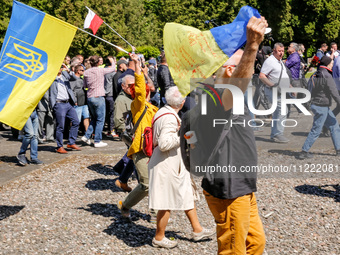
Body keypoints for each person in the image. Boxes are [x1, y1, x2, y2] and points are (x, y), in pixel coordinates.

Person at [201, 16, 267, 255]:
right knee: (233, 250)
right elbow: (239, 84)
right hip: (229, 187)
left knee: (255, 243)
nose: (250, 69)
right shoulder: (219, 96)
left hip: (242, 185)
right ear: (230, 70)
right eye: (242, 64)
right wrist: (251, 46)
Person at [149, 86, 215, 248]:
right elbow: (164, 143)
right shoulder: (170, 118)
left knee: (187, 193)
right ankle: (159, 237)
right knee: (166, 202)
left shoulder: (164, 112)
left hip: (173, 163)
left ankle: (197, 229)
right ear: (183, 102)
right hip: (167, 164)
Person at [117, 54, 158, 218]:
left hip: (154, 148)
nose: (147, 92)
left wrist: (142, 68)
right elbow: (141, 89)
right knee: (146, 184)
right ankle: (125, 205)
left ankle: (155, 213)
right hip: (141, 149)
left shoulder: (152, 107)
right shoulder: (138, 105)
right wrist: (136, 66)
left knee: (157, 182)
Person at [298, 56, 340, 159]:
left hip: (318, 105)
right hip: (322, 107)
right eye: (331, 63)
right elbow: (334, 92)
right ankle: (304, 151)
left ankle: (338, 150)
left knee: (334, 126)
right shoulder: (327, 75)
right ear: (327, 64)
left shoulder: (315, 74)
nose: (332, 64)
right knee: (316, 130)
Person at [81, 55, 115, 147]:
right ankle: (97, 140)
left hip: (90, 97)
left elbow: (85, 86)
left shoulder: (86, 72)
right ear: (97, 62)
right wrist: (112, 61)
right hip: (99, 96)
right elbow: (112, 69)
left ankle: (86, 135)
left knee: (95, 118)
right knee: (100, 120)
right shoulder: (100, 70)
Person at [260, 42, 291, 143]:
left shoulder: (279, 61)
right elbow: (262, 76)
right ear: (274, 51)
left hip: (281, 91)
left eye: (282, 51)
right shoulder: (270, 61)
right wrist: (272, 85)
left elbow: (283, 74)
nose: (281, 53)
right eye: (279, 51)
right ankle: (278, 133)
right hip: (273, 91)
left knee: (279, 112)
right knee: (282, 111)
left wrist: (290, 86)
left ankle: (274, 134)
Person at [49, 65, 81, 154]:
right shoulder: (51, 78)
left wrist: (68, 70)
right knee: (61, 126)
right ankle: (59, 146)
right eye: (58, 67)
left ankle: (71, 142)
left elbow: (75, 78)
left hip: (68, 103)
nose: (60, 69)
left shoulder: (64, 75)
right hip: (59, 104)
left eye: (61, 67)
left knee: (76, 121)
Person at [69, 64, 90, 133]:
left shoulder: (81, 79)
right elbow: (71, 91)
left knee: (86, 117)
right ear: (78, 71)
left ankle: (87, 134)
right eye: (82, 70)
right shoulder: (73, 79)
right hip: (77, 102)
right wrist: (74, 100)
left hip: (84, 101)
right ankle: (73, 134)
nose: (84, 72)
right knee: (76, 120)